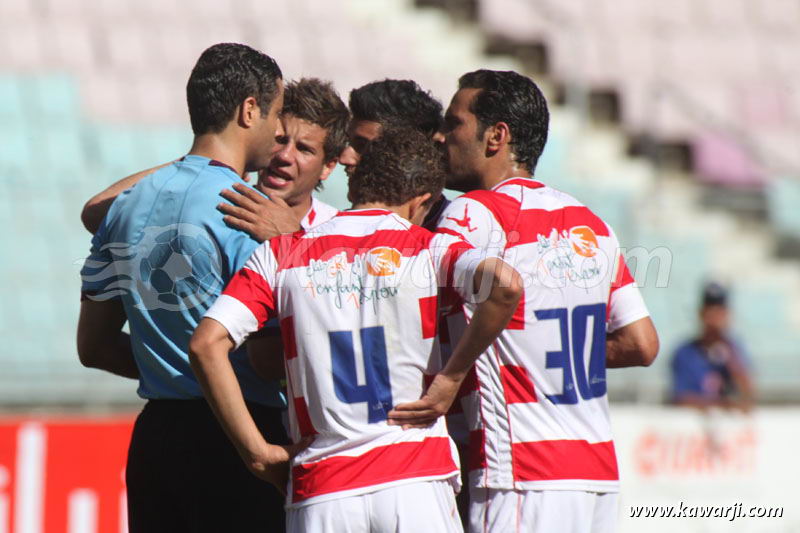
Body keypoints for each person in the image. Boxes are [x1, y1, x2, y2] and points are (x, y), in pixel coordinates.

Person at [189, 127, 524, 533]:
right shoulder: (428, 248)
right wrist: (450, 379)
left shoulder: (280, 254)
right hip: (414, 483)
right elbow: (506, 286)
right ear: (423, 201)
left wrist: (257, 453)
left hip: (323, 489)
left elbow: (206, 344)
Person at [388, 69, 659, 533]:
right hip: (594, 473)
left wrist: (301, 244)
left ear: (497, 136)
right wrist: (538, 344)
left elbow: (393, 283)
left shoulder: (474, 212)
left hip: (521, 473)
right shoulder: (590, 224)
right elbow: (642, 344)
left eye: (454, 124)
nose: (441, 136)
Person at [76, 43, 293, 533]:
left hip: (156, 442)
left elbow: (93, 346)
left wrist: (166, 366)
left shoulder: (127, 205)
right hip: (239, 438)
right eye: (277, 113)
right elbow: (266, 358)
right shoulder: (247, 213)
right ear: (249, 110)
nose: (280, 132)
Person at [671, 282, 754, 411]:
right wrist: (722, 405)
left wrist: (727, 349)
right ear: (701, 313)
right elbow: (680, 398)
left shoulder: (734, 349)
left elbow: (748, 393)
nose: (715, 317)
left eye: (719, 311)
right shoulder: (685, 352)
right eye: (710, 310)